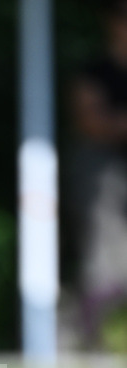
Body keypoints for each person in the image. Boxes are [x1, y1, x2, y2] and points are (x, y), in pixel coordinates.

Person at [71, 0, 127, 345]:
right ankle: (97, 338)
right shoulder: (96, 71)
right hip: (104, 173)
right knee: (104, 255)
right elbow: (89, 121)